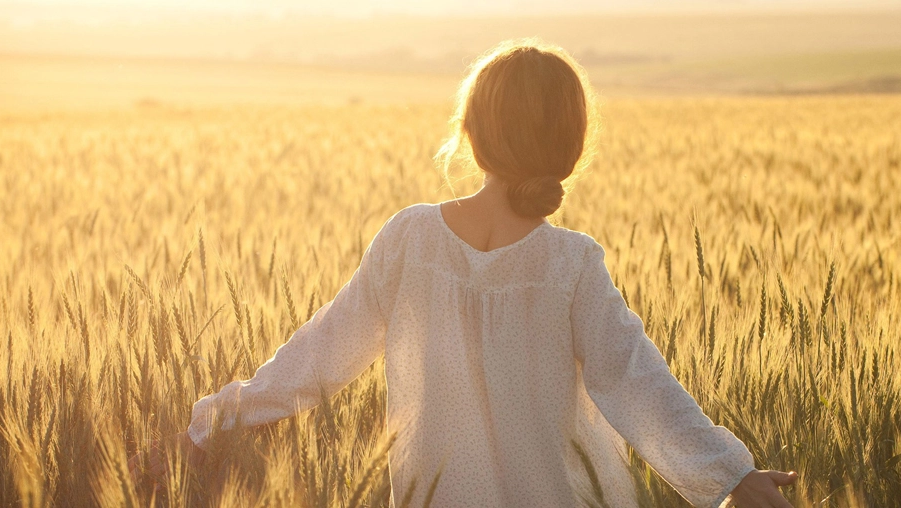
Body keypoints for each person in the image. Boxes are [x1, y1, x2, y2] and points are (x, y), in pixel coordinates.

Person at [136, 38, 797, 508]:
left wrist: (213, 420)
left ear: (472, 133)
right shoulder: (570, 264)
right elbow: (638, 385)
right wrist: (731, 474)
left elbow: (317, 359)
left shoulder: (410, 240)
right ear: (570, 145)